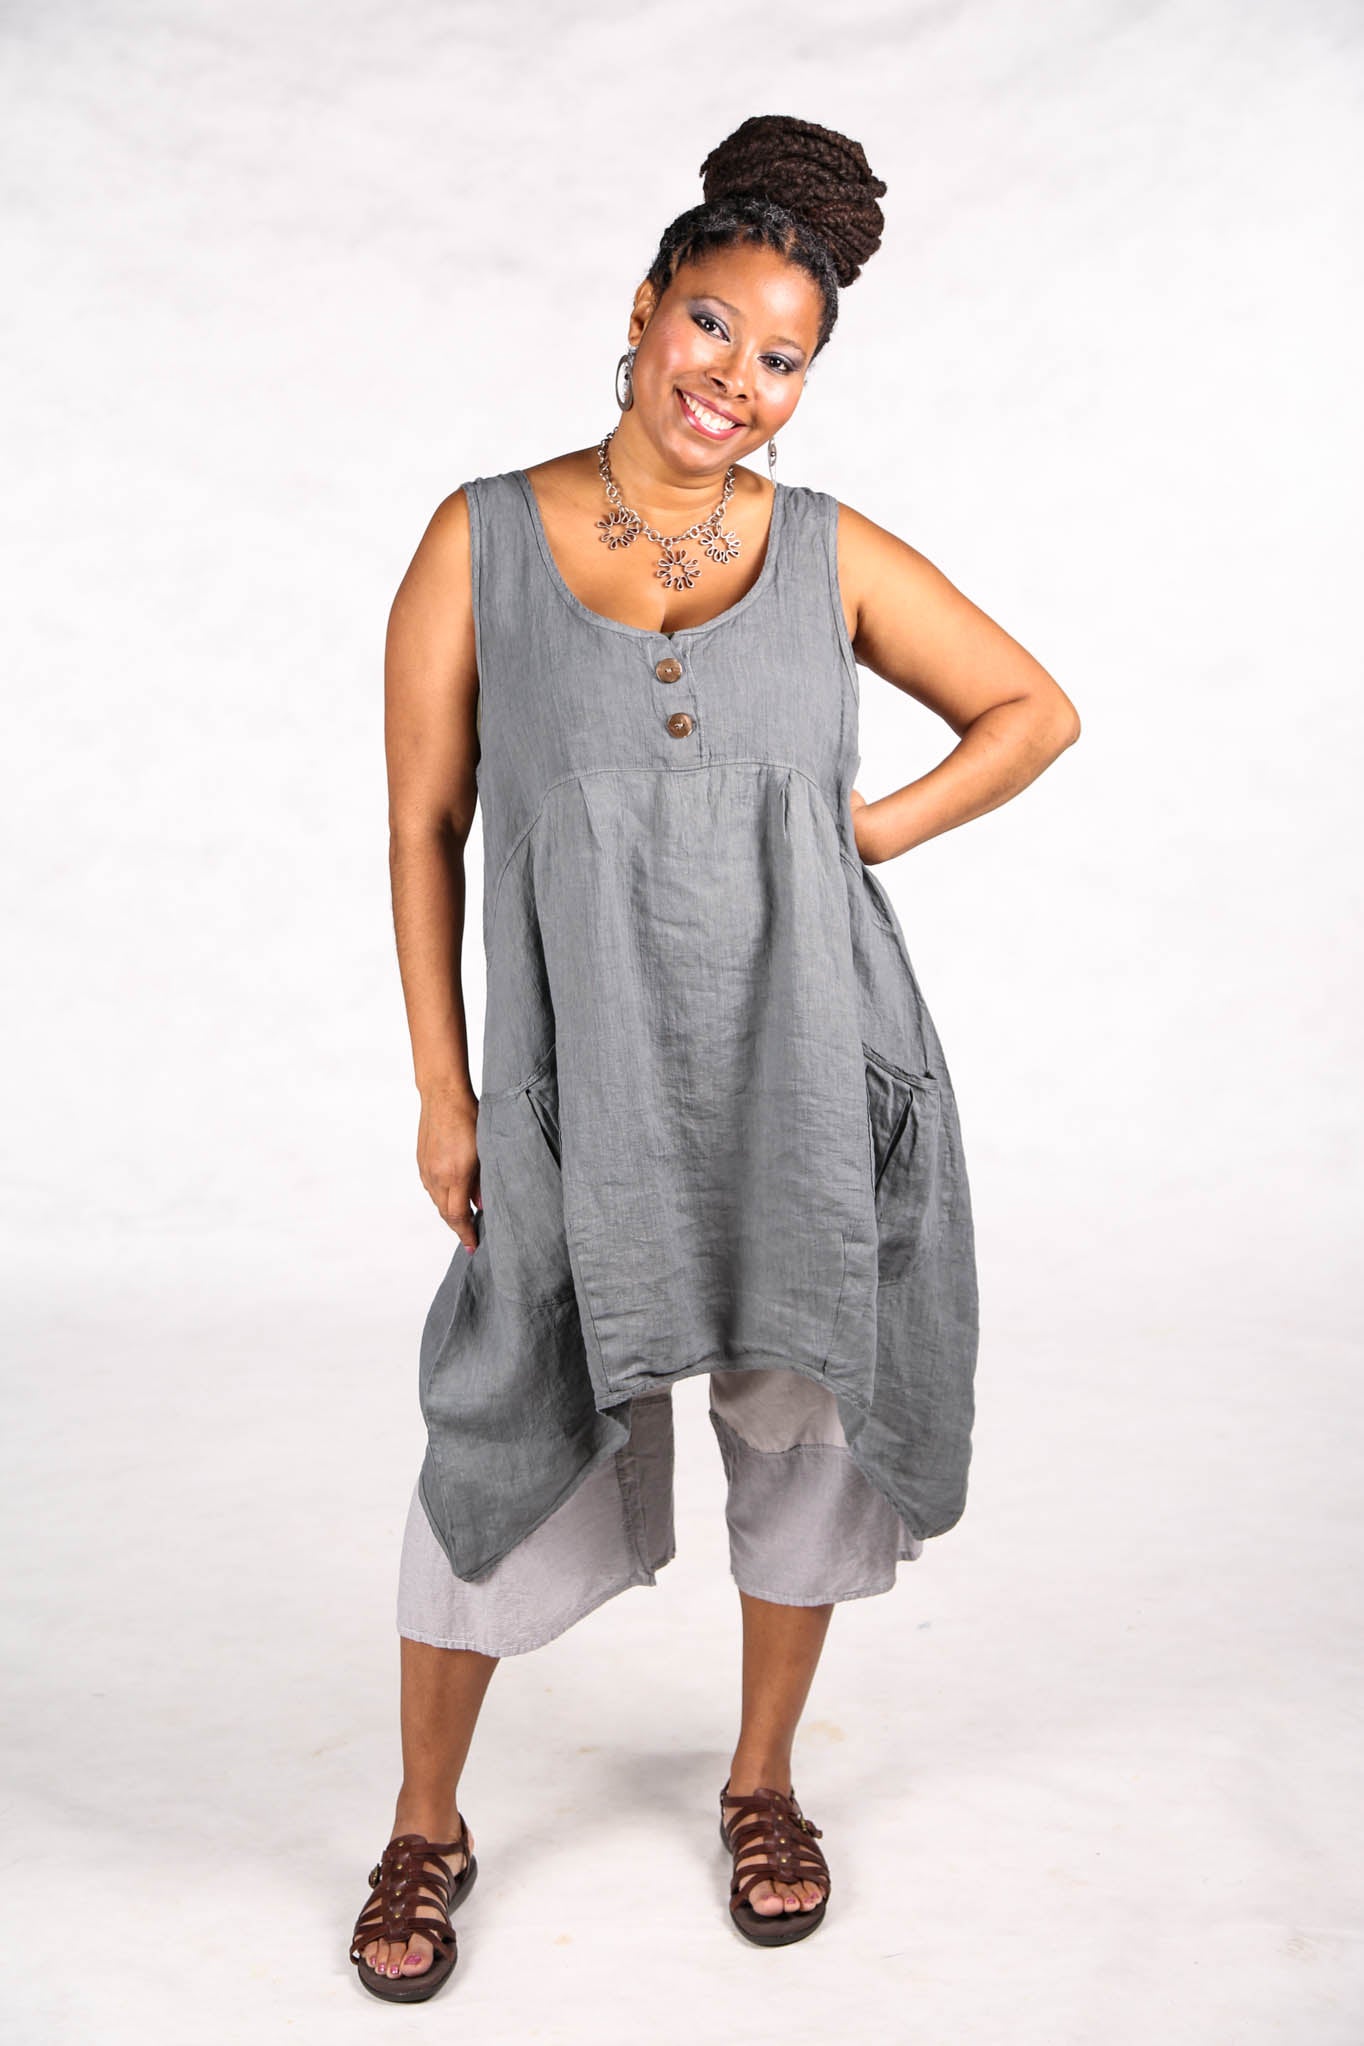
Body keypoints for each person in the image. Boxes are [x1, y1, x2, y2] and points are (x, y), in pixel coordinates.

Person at [348, 112, 1081, 2001]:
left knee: (806, 1424)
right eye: (713, 327)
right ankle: (425, 1821)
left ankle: (762, 1781)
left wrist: (865, 831)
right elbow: (424, 823)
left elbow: (1032, 708)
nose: (737, 380)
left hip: (809, 1069)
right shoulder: (478, 538)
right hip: (578, 1087)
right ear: (644, 306)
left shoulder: (826, 551)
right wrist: (443, 1089)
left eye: (783, 359)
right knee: (497, 1421)